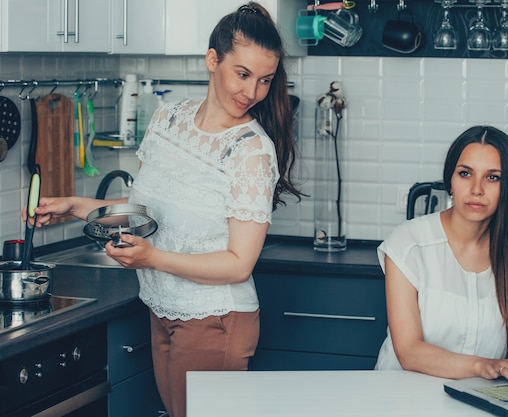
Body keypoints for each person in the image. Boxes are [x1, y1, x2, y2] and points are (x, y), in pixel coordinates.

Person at [27, 3, 302, 417]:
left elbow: (237, 264)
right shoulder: (168, 119)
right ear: (213, 60)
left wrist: (151, 257)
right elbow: (145, 210)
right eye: (242, 74)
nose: (252, 92)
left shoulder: (251, 152)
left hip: (216, 320)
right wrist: (75, 206)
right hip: (162, 307)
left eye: (264, 80)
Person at [374, 126, 508, 384]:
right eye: (465, 174)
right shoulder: (408, 244)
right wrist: (483, 365)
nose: (476, 189)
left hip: (482, 399)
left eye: (493, 177)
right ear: (451, 180)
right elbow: (409, 351)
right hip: (401, 397)